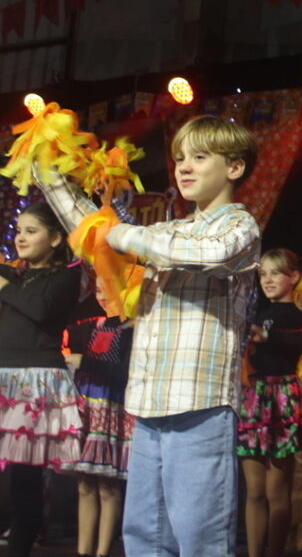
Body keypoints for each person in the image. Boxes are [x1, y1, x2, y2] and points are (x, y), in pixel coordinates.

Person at [37, 115, 260, 556]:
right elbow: (95, 232)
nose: (184, 167)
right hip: (148, 400)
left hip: (199, 404)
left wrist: (121, 233)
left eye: (199, 157)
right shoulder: (166, 231)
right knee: (144, 534)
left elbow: (206, 254)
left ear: (234, 167)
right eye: (179, 158)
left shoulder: (240, 227)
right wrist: (47, 169)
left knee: (199, 536)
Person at [0, 201, 84, 557]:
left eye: (30, 231)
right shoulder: (15, 276)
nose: (20, 238)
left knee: (25, 478)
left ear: (55, 238)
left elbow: (40, 308)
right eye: (19, 231)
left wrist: (3, 285)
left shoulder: (66, 276)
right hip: (3, 375)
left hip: (34, 379)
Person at [239, 248, 302, 557]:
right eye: (263, 274)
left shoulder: (299, 316)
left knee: (276, 490)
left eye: (275, 273)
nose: (267, 280)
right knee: (254, 491)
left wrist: (269, 337)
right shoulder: (255, 313)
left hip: (281, 400)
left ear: (294, 277)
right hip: (253, 399)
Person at [64, 283, 135, 557]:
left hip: (111, 409)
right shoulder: (91, 326)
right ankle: (83, 551)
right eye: (99, 291)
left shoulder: (133, 329)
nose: (102, 297)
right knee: (84, 485)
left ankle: (103, 551)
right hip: (88, 410)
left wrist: (85, 362)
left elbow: (125, 373)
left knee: (108, 486)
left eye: (109, 290)